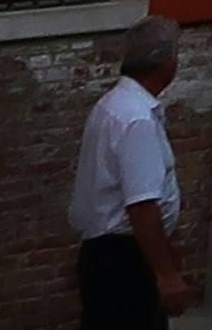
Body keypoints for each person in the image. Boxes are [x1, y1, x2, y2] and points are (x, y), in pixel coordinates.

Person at [62, 19, 187, 330]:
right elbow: (142, 205)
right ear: (166, 61)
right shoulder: (136, 118)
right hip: (125, 257)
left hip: (108, 252)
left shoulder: (114, 105)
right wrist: (166, 273)